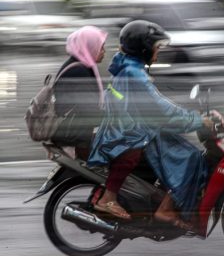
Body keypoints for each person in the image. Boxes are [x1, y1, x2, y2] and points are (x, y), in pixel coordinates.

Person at [88, 20, 214, 227]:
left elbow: (157, 103)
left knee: (179, 147)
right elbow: (162, 110)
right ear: (144, 48)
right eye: (156, 48)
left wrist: (189, 116)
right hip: (130, 134)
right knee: (190, 156)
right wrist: (197, 120)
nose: (158, 52)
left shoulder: (128, 66)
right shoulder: (134, 73)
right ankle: (165, 210)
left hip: (131, 128)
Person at [51, 26, 108, 159]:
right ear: (89, 47)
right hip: (73, 138)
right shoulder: (79, 70)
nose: (104, 52)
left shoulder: (79, 65)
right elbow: (89, 109)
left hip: (73, 132)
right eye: (101, 47)